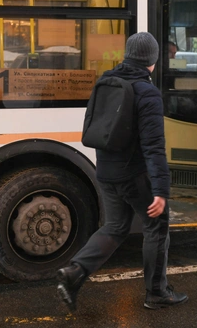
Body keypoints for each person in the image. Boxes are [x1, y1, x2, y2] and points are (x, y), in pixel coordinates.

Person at [56, 31, 188, 311]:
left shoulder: (105, 81)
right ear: (151, 61)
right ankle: (157, 292)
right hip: (133, 175)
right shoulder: (147, 92)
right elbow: (153, 146)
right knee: (156, 226)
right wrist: (161, 191)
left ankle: (75, 271)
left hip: (105, 171)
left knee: (115, 227)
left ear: (127, 56)